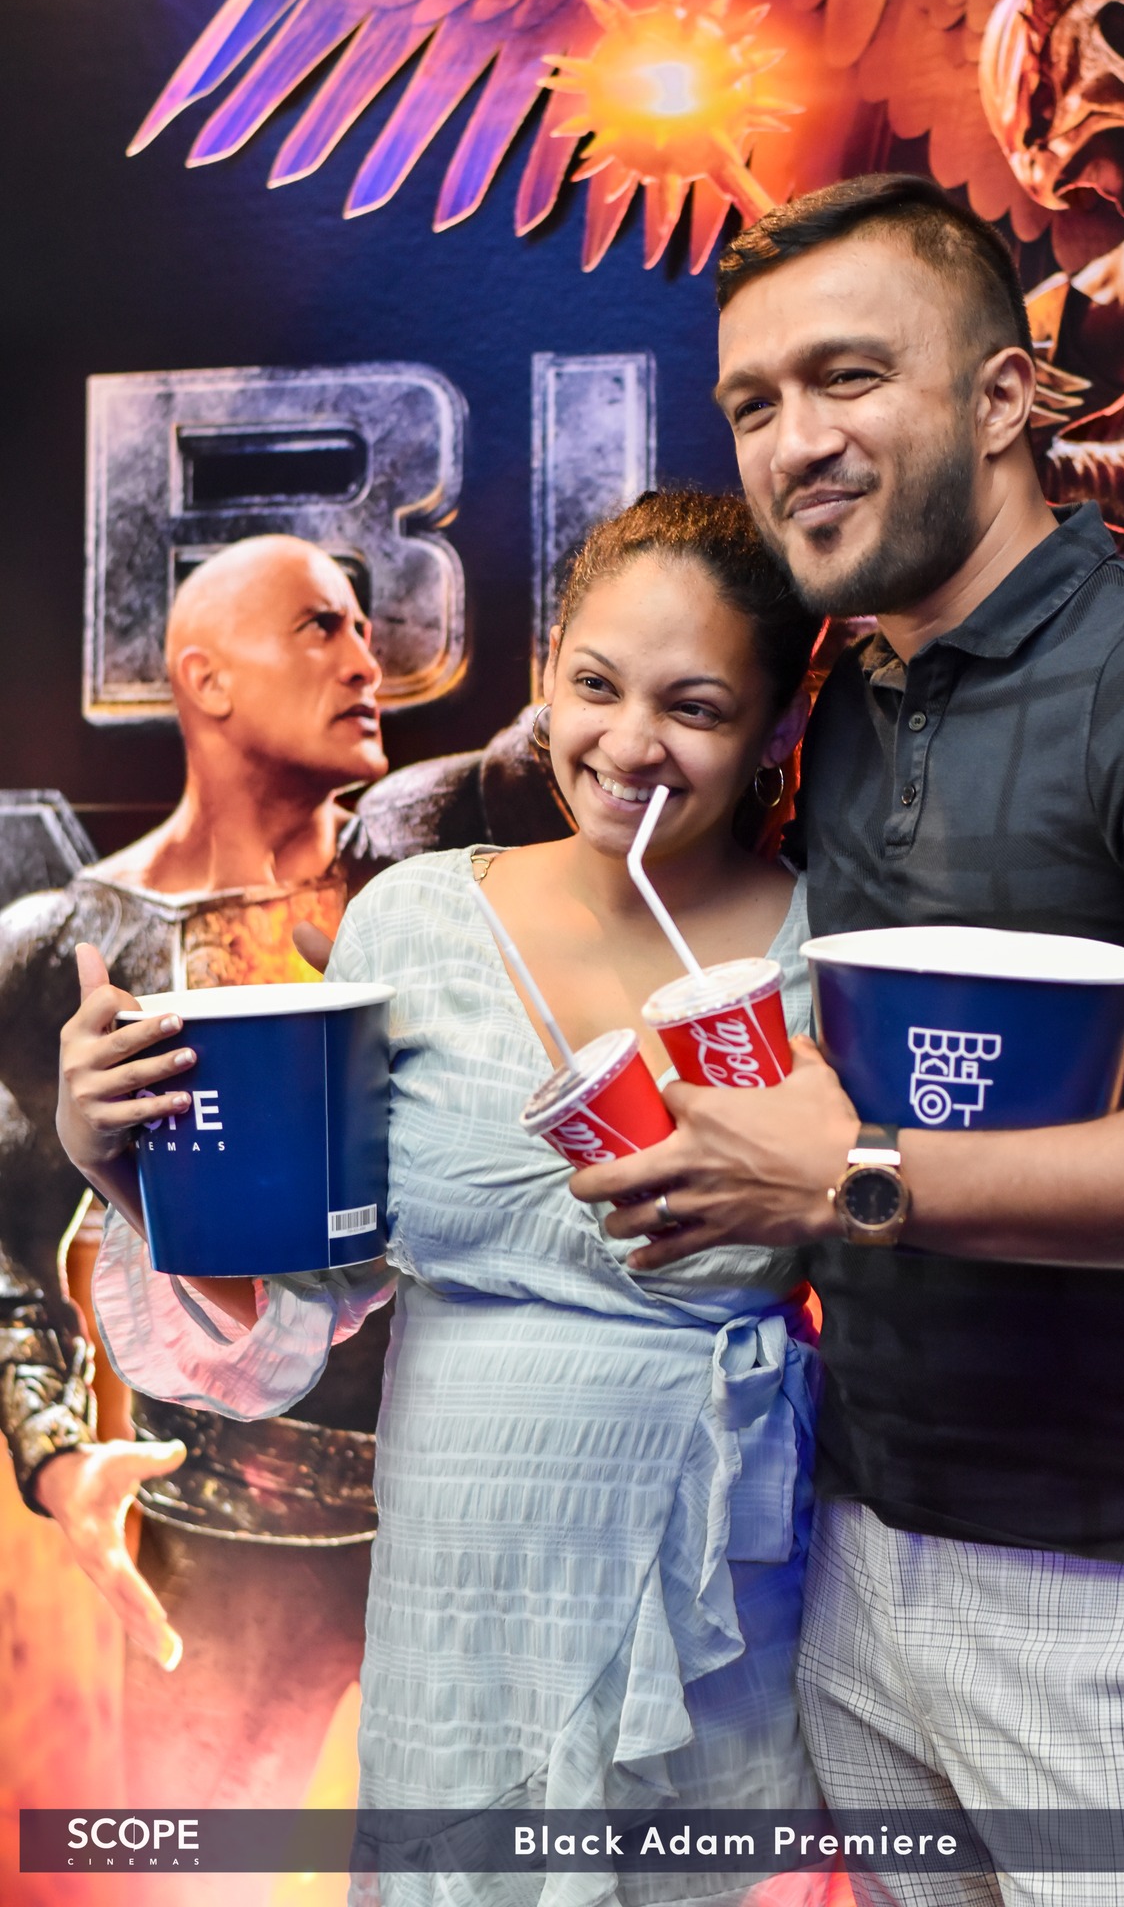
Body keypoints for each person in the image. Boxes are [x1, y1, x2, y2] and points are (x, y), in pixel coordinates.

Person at [569, 177, 1124, 1906]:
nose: (793, 442)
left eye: (847, 377)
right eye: (753, 402)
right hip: (861, 1551)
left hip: (1123, 1589)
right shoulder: (843, 695)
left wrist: (859, 1177)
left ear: (1005, 397)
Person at [61, 489, 826, 1905]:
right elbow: (293, 1312)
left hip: (718, 1587)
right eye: (594, 686)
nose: (630, 743)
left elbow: (911, 1262)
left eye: (697, 706)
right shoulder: (414, 920)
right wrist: (126, 1163)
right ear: (546, 682)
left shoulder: (823, 954)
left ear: (778, 727)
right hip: (460, 1598)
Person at [0, 533, 394, 1835]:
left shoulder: (442, 881)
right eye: (321, 627)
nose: (367, 660)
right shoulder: (62, 945)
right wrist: (58, 1456)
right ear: (205, 679)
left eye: (364, 627)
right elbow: (1, 1239)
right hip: (214, 1551)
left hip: (473, 1518)